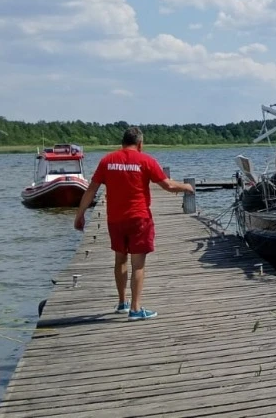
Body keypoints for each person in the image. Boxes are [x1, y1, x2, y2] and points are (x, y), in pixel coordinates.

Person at [74, 127, 194, 321]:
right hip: (139, 219)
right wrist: (187, 187)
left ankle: (123, 303)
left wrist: (79, 215)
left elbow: (91, 189)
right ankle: (136, 309)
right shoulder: (145, 160)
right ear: (140, 143)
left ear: (122, 143)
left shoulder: (107, 161)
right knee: (138, 265)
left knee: (119, 260)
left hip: (115, 219)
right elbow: (168, 186)